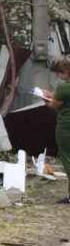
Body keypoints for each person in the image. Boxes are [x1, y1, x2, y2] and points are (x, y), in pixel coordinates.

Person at [44, 56, 70, 203]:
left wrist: (45, 99)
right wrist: (52, 96)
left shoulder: (63, 87)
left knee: (67, 158)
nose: (59, 75)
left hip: (66, 127)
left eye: (60, 72)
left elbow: (54, 106)